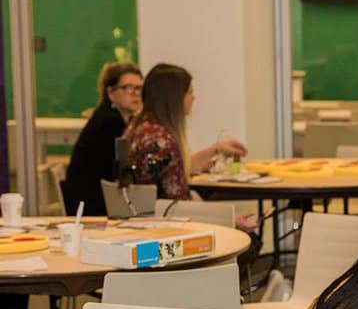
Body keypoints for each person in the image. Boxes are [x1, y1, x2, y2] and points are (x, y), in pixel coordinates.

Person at [125, 63, 247, 205]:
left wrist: (217, 149)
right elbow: (178, 205)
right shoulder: (163, 141)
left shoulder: (140, 129)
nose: (193, 98)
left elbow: (176, 166)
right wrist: (228, 219)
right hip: (167, 222)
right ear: (175, 98)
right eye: (189, 92)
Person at [63, 61, 142, 216]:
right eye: (127, 88)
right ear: (111, 93)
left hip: (98, 199)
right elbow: (119, 170)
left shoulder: (120, 119)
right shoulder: (109, 121)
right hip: (91, 204)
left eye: (139, 88)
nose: (135, 93)